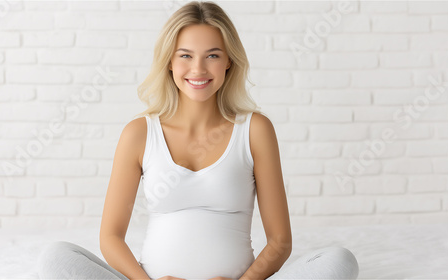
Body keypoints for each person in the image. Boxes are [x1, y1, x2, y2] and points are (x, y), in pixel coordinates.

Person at [36, 1, 360, 280]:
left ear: (229, 60)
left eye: (213, 55)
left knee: (339, 261)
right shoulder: (139, 133)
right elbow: (110, 237)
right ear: (170, 62)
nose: (198, 69)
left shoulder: (255, 129)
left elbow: (279, 241)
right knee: (56, 256)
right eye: (186, 55)